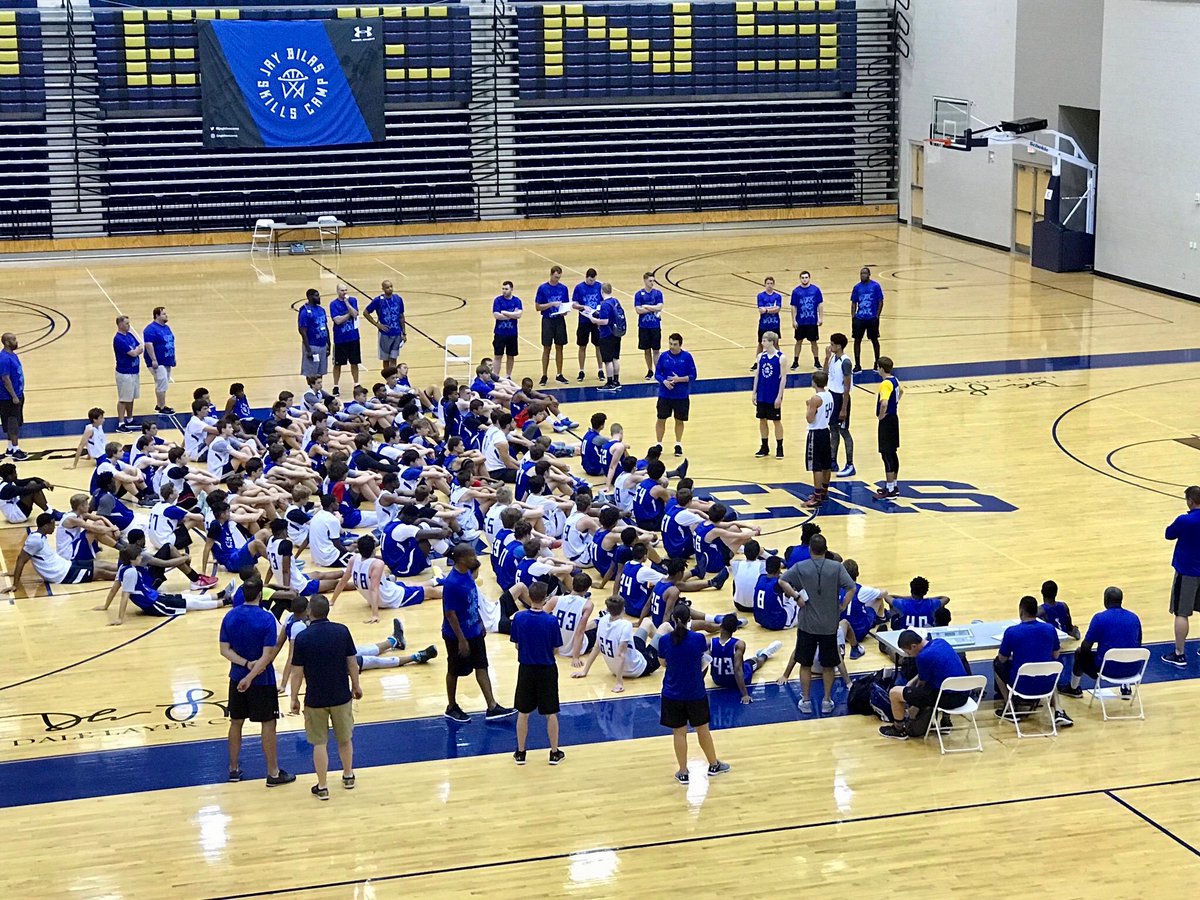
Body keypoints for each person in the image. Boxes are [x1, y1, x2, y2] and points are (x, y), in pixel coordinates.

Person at [219, 578, 296, 785]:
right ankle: (272, 772)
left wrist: (244, 665)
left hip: (236, 677)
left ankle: (233, 769)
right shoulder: (266, 618)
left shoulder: (230, 616)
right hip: (262, 680)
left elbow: (224, 650)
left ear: (242, 594)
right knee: (268, 724)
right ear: (261, 594)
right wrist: (251, 675)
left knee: (236, 723)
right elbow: (267, 655)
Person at [288, 594, 362, 800]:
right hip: (341, 695)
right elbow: (352, 663)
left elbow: (297, 672)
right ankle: (348, 776)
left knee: (319, 743)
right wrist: (356, 685)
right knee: (345, 739)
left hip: (315, 698)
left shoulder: (303, 637)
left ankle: (322, 787)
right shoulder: (342, 631)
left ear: (310, 612)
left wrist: (293, 698)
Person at [776, 534, 856, 715]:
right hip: (829, 624)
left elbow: (782, 580)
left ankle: (805, 701)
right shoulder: (836, 568)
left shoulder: (800, 567)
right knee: (829, 665)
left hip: (807, 625)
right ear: (826, 549)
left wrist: (796, 597)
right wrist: (843, 605)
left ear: (810, 549)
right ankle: (827, 701)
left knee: (805, 664)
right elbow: (852, 587)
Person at [441, 543, 515, 723]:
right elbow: (450, 614)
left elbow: (473, 602)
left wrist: (480, 622)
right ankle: (451, 707)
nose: (475, 559)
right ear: (461, 559)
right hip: (456, 636)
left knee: (482, 666)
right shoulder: (452, 583)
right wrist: (461, 640)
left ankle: (492, 706)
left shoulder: (467, 574)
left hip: (474, 630)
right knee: (454, 670)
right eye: (471, 556)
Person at [658, 604, 730, 785]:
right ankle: (714, 765)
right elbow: (704, 659)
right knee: (702, 730)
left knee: (679, 733)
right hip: (695, 692)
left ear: (673, 620)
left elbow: (663, 663)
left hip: (672, 693)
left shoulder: (664, 640)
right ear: (690, 619)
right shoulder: (698, 639)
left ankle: (683, 772)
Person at [994, 595, 1072, 728]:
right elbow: (1056, 654)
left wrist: (1016, 656)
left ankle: (1010, 709)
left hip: (1022, 685)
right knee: (1050, 668)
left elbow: (1002, 659)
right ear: (1036, 611)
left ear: (1021, 611)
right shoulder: (1049, 629)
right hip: (1046, 684)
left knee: (996, 664)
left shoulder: (1012, 632)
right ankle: (1058, 710)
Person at [510, 583, 566, 765]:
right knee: (551, 713)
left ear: (529, 597)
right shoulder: (551, 621)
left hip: (526, 669)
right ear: (545, 599)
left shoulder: (519, 618)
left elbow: (517, 644)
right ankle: (554, 752)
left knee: (523, 712)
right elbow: (556, 649)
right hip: (546, 670)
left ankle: (520, 752)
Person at [878, 629, 968, 741]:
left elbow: (921, 685)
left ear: (914, 646)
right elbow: (924, 675)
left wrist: (913, 702)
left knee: (895, 693)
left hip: (948, 699)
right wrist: (912, 683)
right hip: (964, 694)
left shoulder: (923, 657)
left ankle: (898, 730)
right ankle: (945, 720)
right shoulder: (940, 642)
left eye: (908, 652)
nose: (908, 655)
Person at [100, 544, 223, 623]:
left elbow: (114, 589)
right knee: (191, 603)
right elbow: (124, 596)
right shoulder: (130, 573)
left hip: (154, 596)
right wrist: (120, 619)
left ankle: (219, 595)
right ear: (132, 560)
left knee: (186, 596)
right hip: (153, 604)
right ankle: (225, 602)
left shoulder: (122, 568)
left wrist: (106, 606)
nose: (141, 558)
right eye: (138, 557)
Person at [1059, 586, 1143, 697]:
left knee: (1080, 653)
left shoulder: (1100, 618)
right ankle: (1126, 687)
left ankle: (1073, 688)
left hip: (1108, 669)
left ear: (1105, 600)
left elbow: (1085, 647)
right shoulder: (1134, 618)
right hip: (1133, 668)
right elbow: (1138, 643)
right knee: (1127, 650)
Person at [6, 513, 117, 591]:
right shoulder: (35, 541)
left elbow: (24, 558)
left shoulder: (39, 536)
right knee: (99, 572)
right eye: (52, 524)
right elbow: (21, 559)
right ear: (45, 526)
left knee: (99, 564)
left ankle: (126, 569)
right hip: (61, 574)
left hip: (65, 564)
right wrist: (15, 585)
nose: (54, 527)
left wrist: (13, 573)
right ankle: (126, 577)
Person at [573, 595, 660, 692]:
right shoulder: (625, 625)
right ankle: (668, 654)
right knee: (665, 627)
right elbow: (621, 655)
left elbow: (596, 647)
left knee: (647, 622)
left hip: (615, 669)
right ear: (623, 609)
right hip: (636, 669)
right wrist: (619, 682)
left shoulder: (603, 620)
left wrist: (584, 671)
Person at [1163, 485, 1200, 667]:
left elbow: (1169, 534)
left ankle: (1179, 654)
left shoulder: (1185, 520)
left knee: (1182, 613)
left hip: (1187, 573)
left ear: (1190, 501)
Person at [709, 614, 783, 703]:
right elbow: (737, 669)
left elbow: (703, 664)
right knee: (753, 662)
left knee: (740, 663)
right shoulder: (738, 644)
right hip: (735, 681)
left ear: (720, 625)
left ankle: (763, 654)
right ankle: (765, 654)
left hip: (718, 680)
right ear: (735, 629)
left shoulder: (710, 642)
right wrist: (745, 694)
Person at [654, 332, 697, 458]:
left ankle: (678, 444)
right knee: (661, 419)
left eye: (675, 344)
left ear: (680, 345)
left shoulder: (687, 357)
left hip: (681, 396)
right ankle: (659, 443)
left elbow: (693, 376)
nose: (672, 346)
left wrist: (679, 379)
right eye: (670, 343)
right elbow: (657, 374)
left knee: (679, 420)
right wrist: (664, 382)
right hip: (665, 394)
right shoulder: (663, 356)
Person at [825, 332, 855, 477]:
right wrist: (826, 358)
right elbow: (825, 375)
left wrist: (844, 408)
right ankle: (832, 461)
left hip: (842, 398)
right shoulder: (832, 358)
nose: (830, 346)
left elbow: (847, 387)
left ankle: (850, 464)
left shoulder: (846, 362)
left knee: (843, 431)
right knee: (833, 430)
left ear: (838, 346)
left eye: (832, 344)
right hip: (832, 396)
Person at [752, 330, 785, 459]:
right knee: (762, 420)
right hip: (762, 394)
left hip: (773, 394)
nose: (762, 342)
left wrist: (779, 396)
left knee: (776, 421)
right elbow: (757, 374)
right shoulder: (761, 356)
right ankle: (764, 446)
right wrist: (754, 392)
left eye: (765, 340)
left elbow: (783, 378)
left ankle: (779, 447)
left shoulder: (781, 357)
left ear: (772, 342)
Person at [803, 371, 834, 508]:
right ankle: (824, 491)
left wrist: (809, 406)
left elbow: (810, 418)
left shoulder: (815, 398)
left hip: (815, 433)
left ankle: (817, 496)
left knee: (817, 466)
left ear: (814, 382)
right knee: (826, 464)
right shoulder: (829, 395)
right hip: (826, 431)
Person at [535, 265, 570, 386]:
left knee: (560, 347)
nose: (557, 279)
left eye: (559, 277)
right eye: (555, 277)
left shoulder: (563, 288)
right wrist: (551, 304)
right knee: (547, 347)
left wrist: (565, 310)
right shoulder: (543, 288)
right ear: (551, 275)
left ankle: (559, 374)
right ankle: (544, 375)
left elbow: (565, 304)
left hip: (559, 320)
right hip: (547, 320)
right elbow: (538, 307)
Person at [874, 356, 902, 499]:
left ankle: (890, 490)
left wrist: (881, 415)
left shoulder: (885, 384)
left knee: (886, 454)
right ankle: (894, 485)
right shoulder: (895, 380)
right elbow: (901, 392)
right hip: (894, 419)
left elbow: (884, 402)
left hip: (887, 421)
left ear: (880, 368)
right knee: (892, 453)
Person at [363, 280, 406, 368]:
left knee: (394, 358)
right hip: (385, 334)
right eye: (387, 287)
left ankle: (393, 377)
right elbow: (366, 312)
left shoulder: (398, 299)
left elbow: (401, 316)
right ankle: (387, 378)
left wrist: (404, 332)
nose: (390, 289)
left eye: (391, 286)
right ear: (382, 289)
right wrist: (377, 324)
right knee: (386, 359)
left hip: (397, 333)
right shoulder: (378, 300)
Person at [572, 267, 604, 383]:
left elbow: (603, 301)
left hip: (595, 320)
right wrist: (582, 306)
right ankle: (581, 370)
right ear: (586, 278)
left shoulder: (599, 286)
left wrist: (599, 309)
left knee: (598, 346)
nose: (592, 282)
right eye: (590, 280)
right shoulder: (579, 288)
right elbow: (574, 304)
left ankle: (600, 369)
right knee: (582, 346)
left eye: (593, 280)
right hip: (584, 321)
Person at [328, 284, 362, 396]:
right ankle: (336, 386)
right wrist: (349, 315)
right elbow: (337, 321)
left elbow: (356, 314)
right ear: (337, 291)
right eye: (342, 290)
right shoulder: (333, 304)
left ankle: (356, 383)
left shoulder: (352, 300)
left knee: (354, 362)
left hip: (353, 337)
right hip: (340, 339)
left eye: (346, 290)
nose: (344, 292)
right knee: (337, 364)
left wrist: (347, 304)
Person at [142, 307, 176, 416]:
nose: (166, 316)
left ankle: (159, 404)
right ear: (157, 316)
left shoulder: (166, 328)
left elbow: (170, 342)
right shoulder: (150, 329)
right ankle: (162, 407)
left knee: (163, 382)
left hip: (167, 360)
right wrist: (154, 360)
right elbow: (149, 345)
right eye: (164, 314)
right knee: (161, 383)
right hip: (158, 361)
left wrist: (173, 358)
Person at [590, 284, 624, 392]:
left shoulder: (604, 304)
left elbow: (605, 321)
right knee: (615, 358)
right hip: (616, 333)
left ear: (602, 291)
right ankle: (616, 380)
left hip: (607, 334)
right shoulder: (615, 301)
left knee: (608, 360)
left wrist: (594, 320)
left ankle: (609, 382)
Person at [112, 315, 143, 432]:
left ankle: (130, 419)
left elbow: (140, 346)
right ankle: (121, 423)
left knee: (131, 397)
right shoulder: (118, 339)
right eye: (126, 324)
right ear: (120, 325)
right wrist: (136, 351)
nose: (129, 326)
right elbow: (133, 353)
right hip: (124, 373)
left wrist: (137, 351)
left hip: (134, 371)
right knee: (123, 398)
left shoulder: (129, 335)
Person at [850, 266, 884, 373]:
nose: (862, 276)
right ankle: (857, 364)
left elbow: (880, 301)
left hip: (872, 318)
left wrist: (877, 316)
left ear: (869, 275)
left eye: (864, 274)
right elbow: (854, 302)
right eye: (861, 274)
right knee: (857, 340)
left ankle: (876, 362)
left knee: (874, 340)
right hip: (860, 318)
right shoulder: (857, 287)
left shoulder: (875, 286)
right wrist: (853, 316)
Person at [0, 331, 27, 459]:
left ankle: (10, 448)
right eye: (13, 339)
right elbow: (5, 378)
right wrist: (14, 396)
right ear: (6, 342)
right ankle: (16, 450)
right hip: (8, 398)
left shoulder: (12, 355)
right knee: (13, 423)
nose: (16, 341)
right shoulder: (4, 358)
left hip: (17, 394)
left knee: (14, 422)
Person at [789, 270, 823, 370]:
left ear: (809, 278)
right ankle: (795, 362)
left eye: (806, 277)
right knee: (798, 341)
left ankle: (817, 361)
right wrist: (793, 320)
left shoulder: (815, 290)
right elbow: (793, 306)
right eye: (802, 278)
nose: (804, 279)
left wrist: (820, 318)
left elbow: (820, 304)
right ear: (800, 279)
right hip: (800, 322)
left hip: (812, 321)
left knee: (814, 342)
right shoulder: (796, 291)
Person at [634, 272, 664, 380]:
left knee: (656, 350)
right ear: (645, 280)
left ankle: (658, 371)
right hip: (644, 327)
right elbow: (638, 310)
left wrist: (646, 306)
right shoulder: (638, 294)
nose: (652, 283)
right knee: (646, 350)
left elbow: (660, 307)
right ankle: (650, 370)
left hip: (655, 326)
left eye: (653, 281)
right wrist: (653, 308)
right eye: (650, 281)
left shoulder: (658, 293)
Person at [492, 280, 523, 378]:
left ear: (511, 289)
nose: (504, 291)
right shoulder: (498, 300)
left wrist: (505, 313)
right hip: (500, 333)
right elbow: (497, 315)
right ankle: (495, 375)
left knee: (511, 355)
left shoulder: (517, 301)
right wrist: (511, 315)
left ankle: (508, 375)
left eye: (506, 289)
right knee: (498, 355)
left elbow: (519, 314)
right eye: (503, 289)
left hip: (512, 334)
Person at [298, 289, 331, 380]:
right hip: (312, 345)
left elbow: (325, 326)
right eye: (316, 295)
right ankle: (312, 391)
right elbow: (302, 331)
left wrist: (329, 344)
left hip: (323, 345)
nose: (318, 297)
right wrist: (308, 349)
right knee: (311, 373)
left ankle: (319, 391)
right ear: (309, 297)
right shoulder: (305, 312)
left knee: (321, 372)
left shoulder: (321, 310)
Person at [751, 276, 782, 368]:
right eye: (768, 283)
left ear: (774, 284)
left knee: (776, 343)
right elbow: (761, 310)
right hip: (763, 324)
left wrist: (767, 310)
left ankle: (778, 360)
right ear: (765, 284)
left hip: (774, 324)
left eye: (771, 283)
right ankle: (757, 362)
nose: (769, 285)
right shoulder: (760, 296)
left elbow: (778, 309)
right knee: (761, 343)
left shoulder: (778, 296)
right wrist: (772, 309)